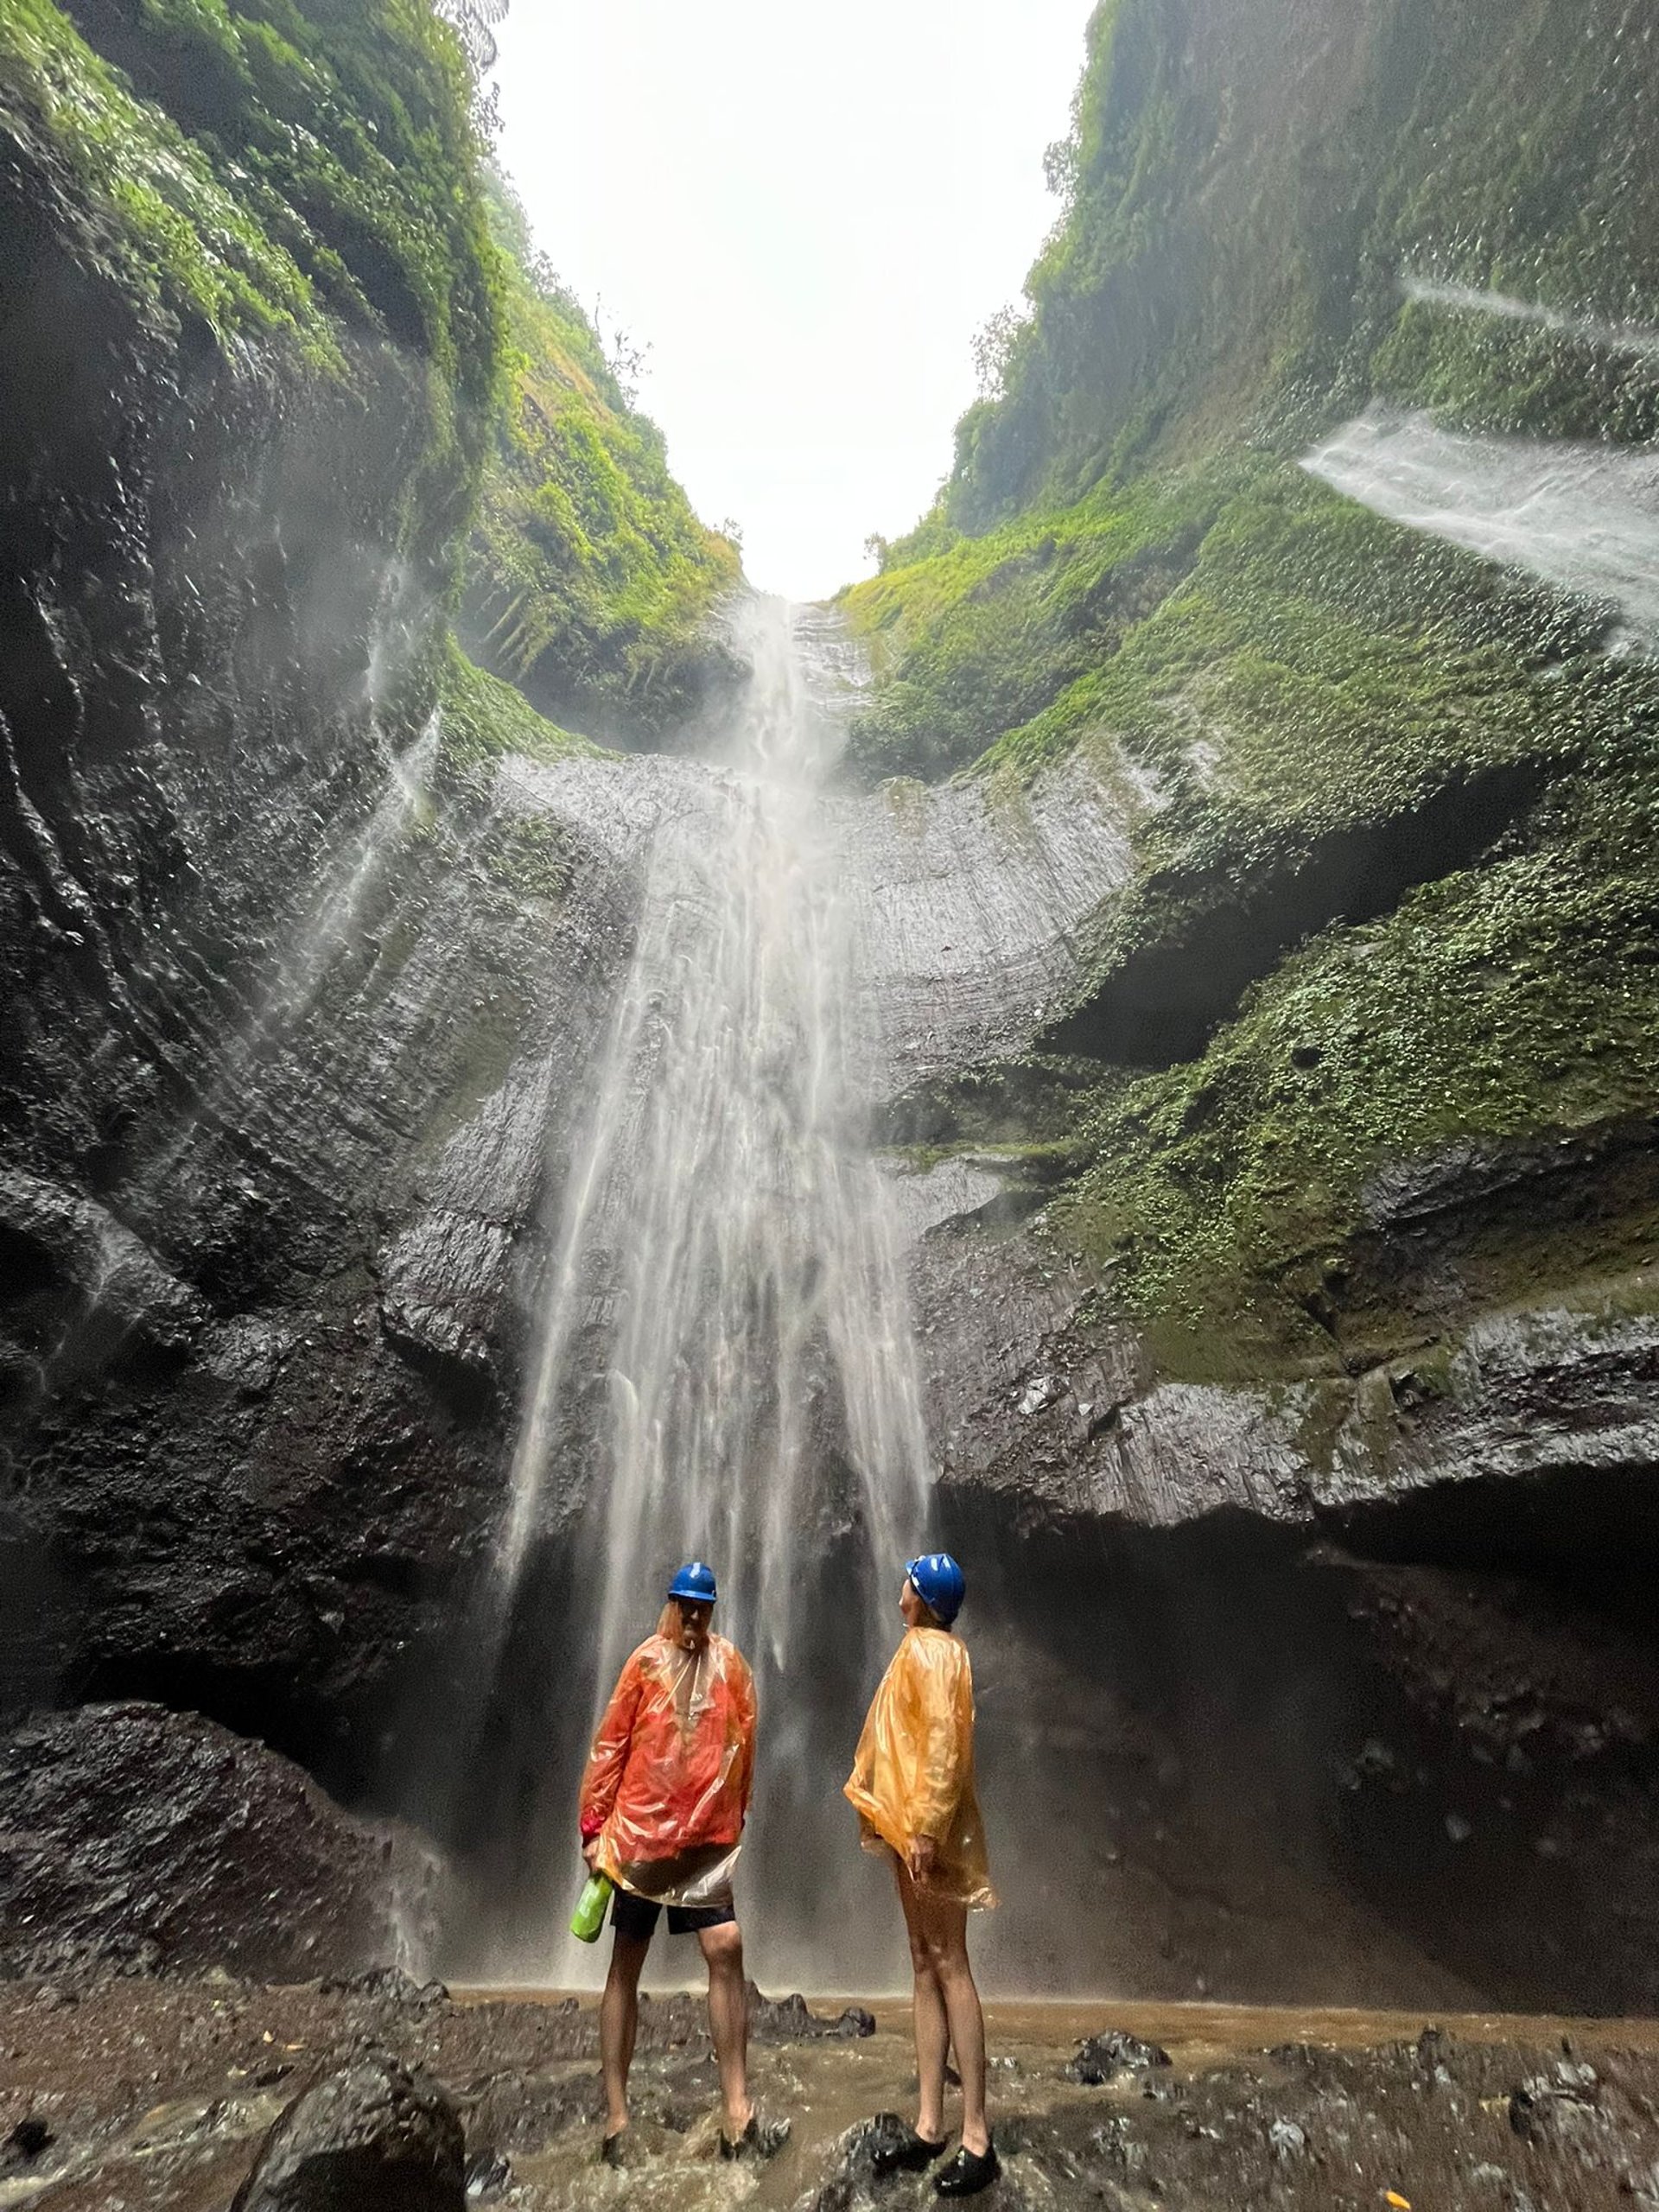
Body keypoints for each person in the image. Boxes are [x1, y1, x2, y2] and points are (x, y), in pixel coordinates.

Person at [578, 1560, 788, 2165]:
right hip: (642, 1838)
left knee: (725, 1947)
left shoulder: (732, 1667)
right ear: (671, 1604)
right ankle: (617, 2113)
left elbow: (745, 1745)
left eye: (703, 1606)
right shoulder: (644, 1663)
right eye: (684, 1605)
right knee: (627, 1956)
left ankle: (737, 2105)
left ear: (714, 1609)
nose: (693, 1617)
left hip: (704, 1842)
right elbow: (611, 1745)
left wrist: (736, 1818)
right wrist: (595, 1829)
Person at [844, 1551, 998, 2196]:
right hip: (909, 1826)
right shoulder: (921, 1646)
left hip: (926, 1830)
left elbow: (941, 1742)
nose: (899, 1587)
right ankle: (931, 2124)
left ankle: (977, 2137)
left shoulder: (933, 1653)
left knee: (949, 1959)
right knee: (923, 1959)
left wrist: (929, 1827)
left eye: (908, 1580)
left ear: (924, 1595)